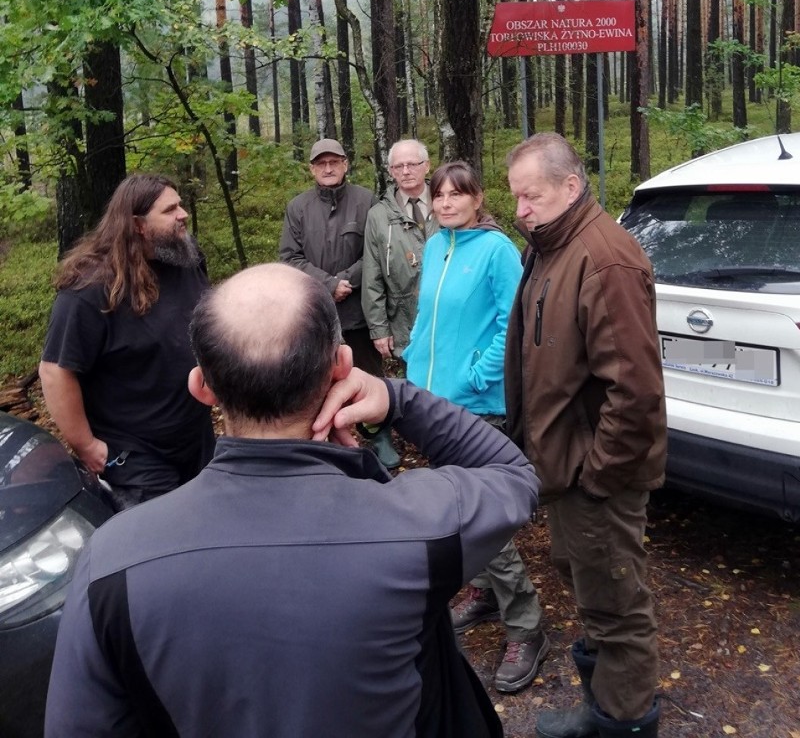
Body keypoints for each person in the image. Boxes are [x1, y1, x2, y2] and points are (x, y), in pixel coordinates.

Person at [45, 263, 541, 738]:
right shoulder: (417, 525)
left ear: (202, 387)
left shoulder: (112, 561)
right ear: (341, 366)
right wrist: (397, 398)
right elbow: (512, 474)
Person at [504, 133, 667, 738]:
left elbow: (636, 390)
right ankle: (601, 709)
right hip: (566, 470)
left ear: (570, 187)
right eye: (516, 196)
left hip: (595, 477)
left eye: (531, 195)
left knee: (617, 606)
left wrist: (597, 477)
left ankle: (623, 723)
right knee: (591, 589)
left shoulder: (604, 259)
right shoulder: (552, 246)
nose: (520, 209)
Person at [404, 161, 548, 695]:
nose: (445, 203)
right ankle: (486, 593)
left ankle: (527, 627)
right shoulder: (440, 245)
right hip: (433, 398)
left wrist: (474, 375)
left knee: (477, 516)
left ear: (477, 198)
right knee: (463, 507)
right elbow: (428, 316)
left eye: (455, 195)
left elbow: (513, 324)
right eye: (438, 195)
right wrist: (413, 361)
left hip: (477, 404)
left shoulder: (495, 250)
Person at [39, 173, 214, 510]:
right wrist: (86, 445)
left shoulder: (185, 257)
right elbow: (55, 371)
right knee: (159, 546)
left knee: (204, 529)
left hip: (196, 437)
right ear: (137, 225)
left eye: (180, 205)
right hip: (136, 456)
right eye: (170, 209)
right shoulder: (90, 290)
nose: (183, 214)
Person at [278, 138, 393, 467]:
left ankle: (377, 435)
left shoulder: (366, 201)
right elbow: (289, 258)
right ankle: (323, 439)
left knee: (367, 373)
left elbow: (375, 252)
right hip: (316, 311)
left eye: (334, 162)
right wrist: (328, 285)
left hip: (359, 310)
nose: (328, 169)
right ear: (312, 169)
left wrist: (348, 281)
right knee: (318, 376)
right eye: (321, 164)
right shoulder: (298, 207)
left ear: (345, 164)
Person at [361, 138, 436, 366]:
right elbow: (372, 276)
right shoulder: (378, 216)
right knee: (416, 389)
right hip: (404, 321)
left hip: (449, 318)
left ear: (427, 165)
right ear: (391, 171)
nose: (406, 171)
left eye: (412, 164)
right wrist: (379, 328)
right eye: (398, 166)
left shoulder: (447, 203)